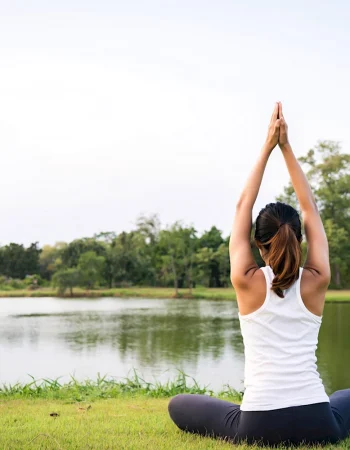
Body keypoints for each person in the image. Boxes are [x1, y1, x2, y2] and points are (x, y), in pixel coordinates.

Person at [168, 103, 350, 446]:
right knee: (345, 395)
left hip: (258, 426)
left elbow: (242, 207)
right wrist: (287, 147)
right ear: (299, 239)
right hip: (319, 422)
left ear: (258, 244)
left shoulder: (246, 281)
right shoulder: (318, 279)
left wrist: (267, 146)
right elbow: (309, 205)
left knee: (178, 404)